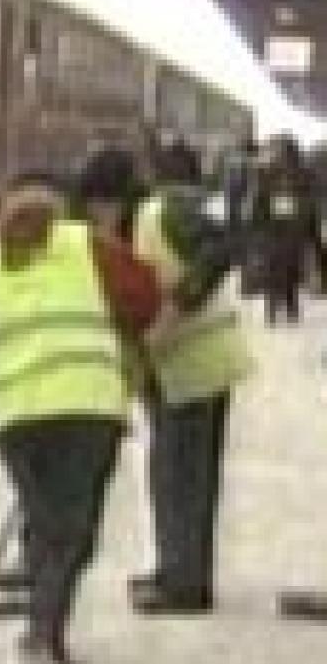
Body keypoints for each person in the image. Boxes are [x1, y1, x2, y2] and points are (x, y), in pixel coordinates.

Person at [0, 172, 158, 664]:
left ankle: (42, 625)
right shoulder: (88, 246)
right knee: (72, 529)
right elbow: (144, 297)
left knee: (43, 521)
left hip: (14, 415)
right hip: (85, 408)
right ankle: (42, 632)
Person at [97, 144, 251, 613]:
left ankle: (184, 585)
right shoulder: (129, 231)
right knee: (176, 476)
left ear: (114, 198)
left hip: (196, 365)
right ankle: (179, 571)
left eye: (98, 206)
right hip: (178, 369)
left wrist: (181, 302)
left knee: (180, 476)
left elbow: (224, 244)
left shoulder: (163, 211)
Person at [250, 135, 319, 324]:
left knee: (278, 270)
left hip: (277, 229)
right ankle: (287, 310)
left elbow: (258, 203)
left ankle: (276, 311)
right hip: (287, 229)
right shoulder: (300, 173)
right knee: (288, 270)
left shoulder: (268, 172)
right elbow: (309, 203)